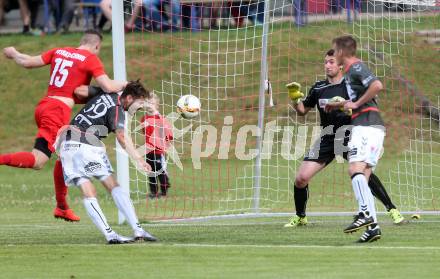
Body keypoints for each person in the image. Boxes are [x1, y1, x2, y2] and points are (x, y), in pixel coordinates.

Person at [1, 30, 126, 222]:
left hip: (45, 106)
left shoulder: (60, 51)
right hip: (57, 111)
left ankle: (62, 207)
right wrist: (128, 85)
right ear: (97, 46)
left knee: (64, 153)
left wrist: (14, 52)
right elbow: (108, 86)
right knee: (38, 160)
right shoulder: (90, 58)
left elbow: (27, 62)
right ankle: (61, 206)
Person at [284, 49, 404, 233]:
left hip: (351, 134)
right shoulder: (318, 88)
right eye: (325, 62)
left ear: (340, 64)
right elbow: (302, 111)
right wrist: (294, 97)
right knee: (301, 178)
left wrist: (349, 106)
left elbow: (368, 102)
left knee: (363, 174)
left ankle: (391, 209)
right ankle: (300, 216)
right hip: (328, 137)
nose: (327, 65)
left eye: (331, 62)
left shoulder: (352, 85)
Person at [57, 80, 158, 244]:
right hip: (87, 145)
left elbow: (78, 90)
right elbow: (121, 137)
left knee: (87, 190)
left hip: (67, 144)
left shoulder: (105, 93)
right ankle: (138, 230)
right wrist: (138, 159)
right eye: (138, 104)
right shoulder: (117, 108)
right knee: (113, 186)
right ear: (129, 98)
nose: (139, 108)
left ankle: (110, 234)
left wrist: (107, 86)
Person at [326, 35, 386, 242]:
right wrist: (340, 104)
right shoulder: (352, 72)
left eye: (334, 51)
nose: (333, 55)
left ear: (342, 52)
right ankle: (373, 228)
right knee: (364, 175)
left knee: (354, 169)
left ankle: (364, 214)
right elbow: (356, 101)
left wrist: (356, 102)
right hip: (373, 126)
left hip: (366, 125)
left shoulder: (356, 68)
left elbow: (377, 85)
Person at [140, 92, 173, 199]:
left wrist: (165, 144)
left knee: (160, 171)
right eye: (148, 103)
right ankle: (153, 192)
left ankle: (164, 192)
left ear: (157, 105)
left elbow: (169, 134)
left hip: (159, 151)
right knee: (150, 172)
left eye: (152, 103)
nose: (150, 105)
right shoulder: (143, 119)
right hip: (148, 151)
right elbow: (144, 132)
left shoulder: (160, 118)